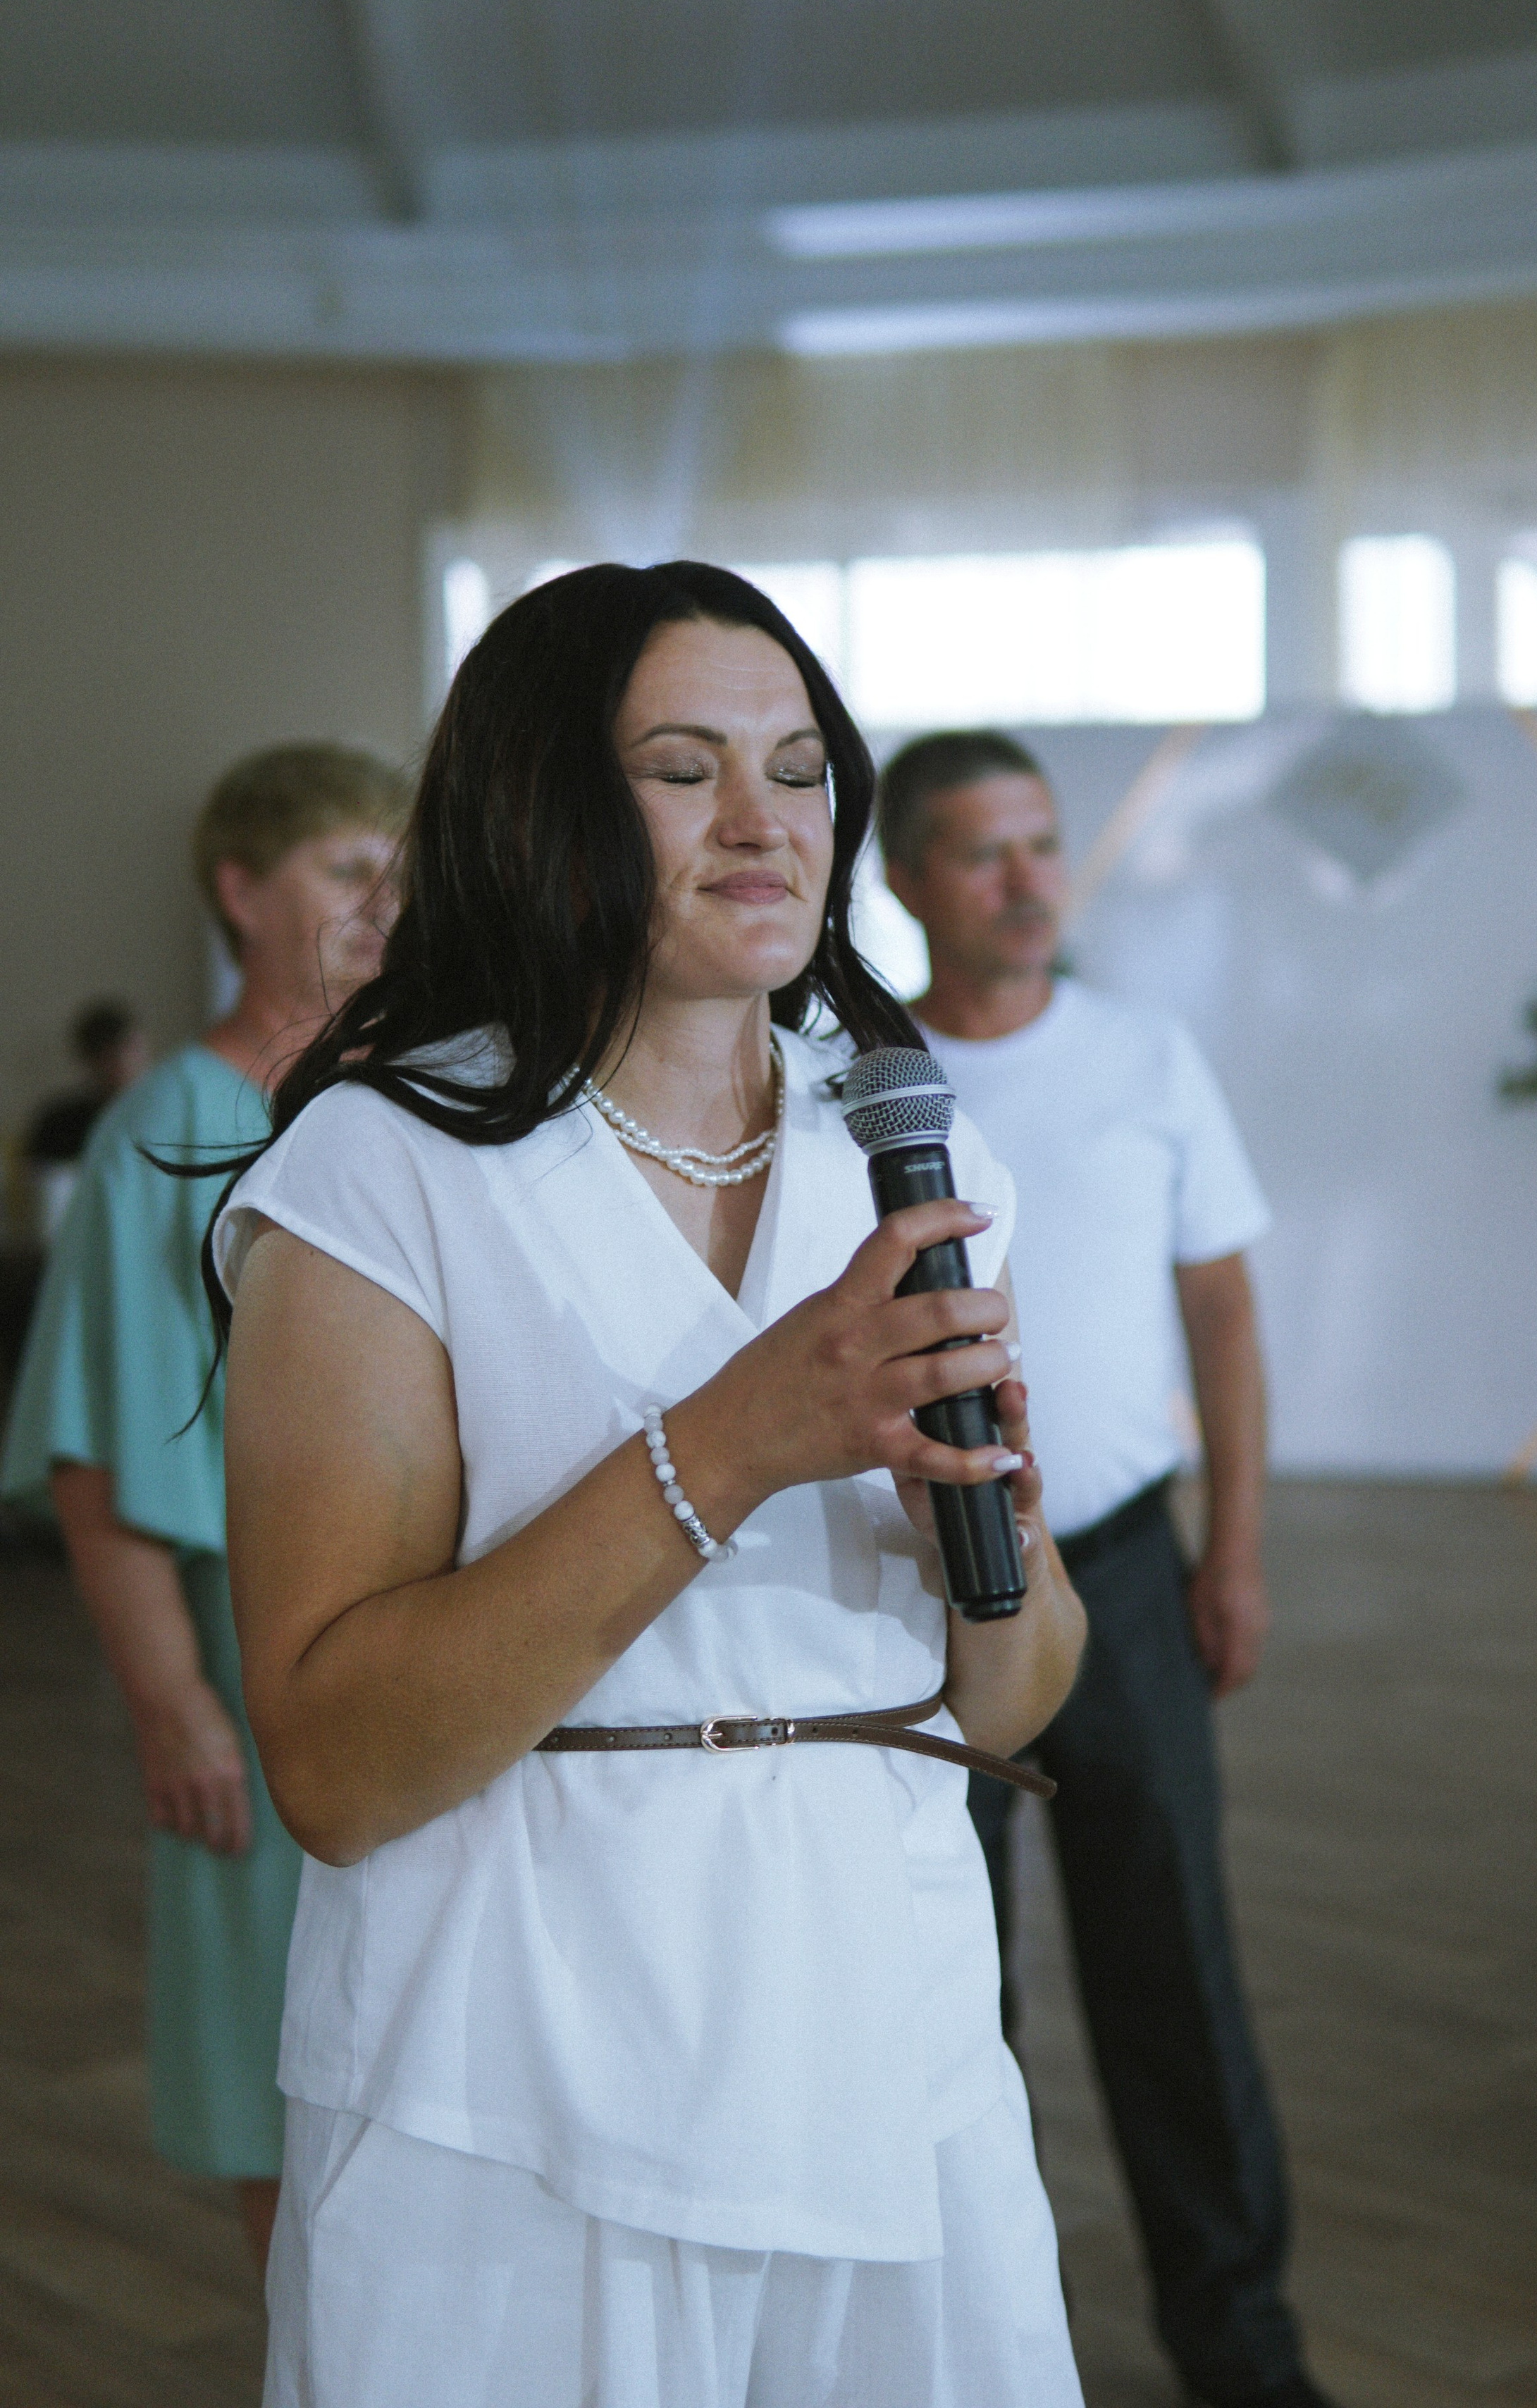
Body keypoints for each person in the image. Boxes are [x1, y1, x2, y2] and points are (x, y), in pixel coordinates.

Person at [213, 566, 1089, 2408]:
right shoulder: (383, 1172)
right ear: (541, 807)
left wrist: (982, 1543)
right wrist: (737, 1440)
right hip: (510, 2068)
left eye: (799, 769)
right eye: (685, 770)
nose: (764, 821)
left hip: (894, 2043)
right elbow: (335, 1769)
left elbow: (1009, 1698)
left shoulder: (916, 1153)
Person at [879, 729, 1336, 2408]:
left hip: (1130, 1567)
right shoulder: (856, 1079)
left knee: (1171, 1968)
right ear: (907, 879)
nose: (1026, 881)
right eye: (982, 851)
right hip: (919, 1588)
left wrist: (1236, 1550)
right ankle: (970, 2351)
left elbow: (1221, 1308)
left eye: (1041, 843)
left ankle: (1239, 2345)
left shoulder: (1145, 1054)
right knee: (949, 1979)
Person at [1, 743, 409, 2269]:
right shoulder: (163, 1130)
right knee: (277, 2068)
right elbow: (95, 1457)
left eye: (397, 873)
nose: (382, 905)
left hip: (417, 1650)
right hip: (253, 1670)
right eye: (342, 870)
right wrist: (173, 1706)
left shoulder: (414, 1103)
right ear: (239, 891)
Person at [21, 997, 152, 1240]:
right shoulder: (58, 1123)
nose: (122, 1062)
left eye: (130, 1049)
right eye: (110, 1054)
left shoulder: (159, 1117)